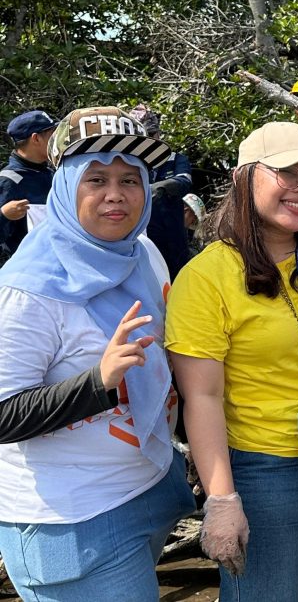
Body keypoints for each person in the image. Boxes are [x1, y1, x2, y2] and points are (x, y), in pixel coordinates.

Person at [166, 122, 298, 601]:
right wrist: (222, 500)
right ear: (247, 178)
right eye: (288, 174)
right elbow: (200, 396)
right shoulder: (207, 277)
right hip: (266, 470)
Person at [0, 106, 193, 600]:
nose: (116, 194)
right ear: (64, 186)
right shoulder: (28, 291)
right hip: (74, 518)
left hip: (147, 486)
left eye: (131, 179)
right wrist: (97, 382)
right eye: (96, 179)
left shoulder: (141, 252)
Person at [129, 104, 194, 278]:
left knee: (176, 279)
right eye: (143, 136)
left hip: (171, 233)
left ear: (159, 134)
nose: (149, 140)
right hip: (138, 235)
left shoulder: (175, 159)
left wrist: (159, 188)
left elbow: (184, 181)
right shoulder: (129, 163)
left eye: (152, 134)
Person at [0, 110, 56, 261]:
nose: (56, 140)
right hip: (29, 269)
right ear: (36, 138)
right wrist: (4, 215)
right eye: (52, 134)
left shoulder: (50, 172)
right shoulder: (9, 181)